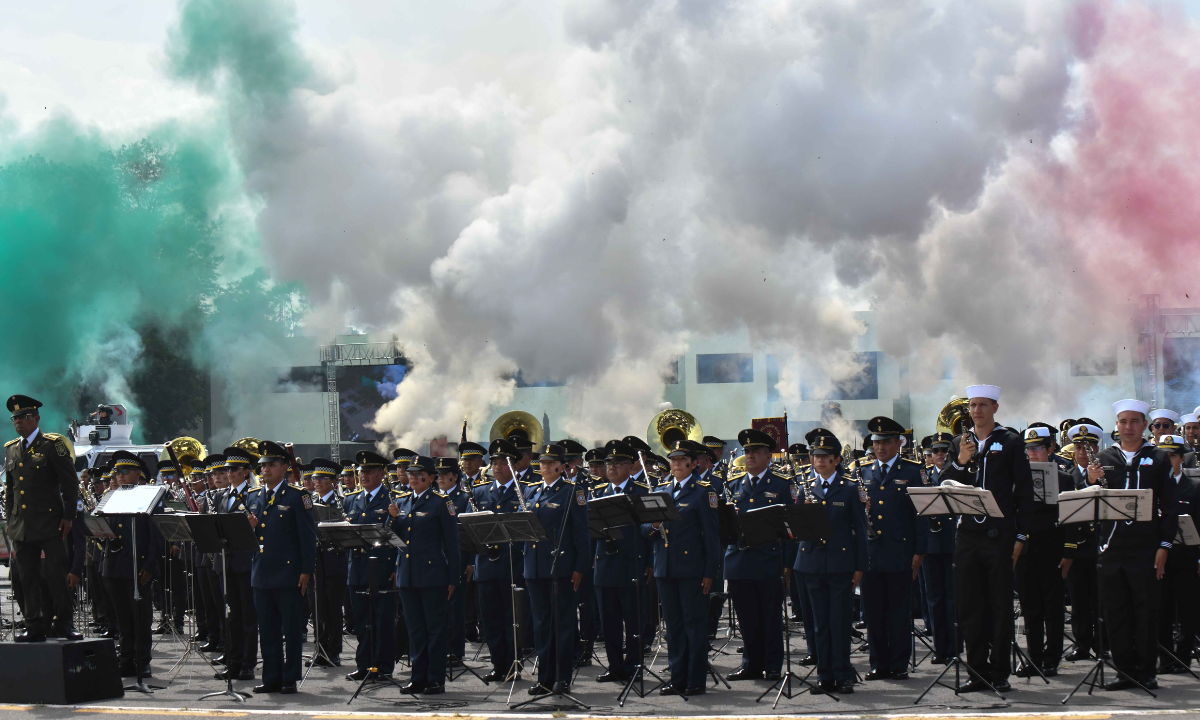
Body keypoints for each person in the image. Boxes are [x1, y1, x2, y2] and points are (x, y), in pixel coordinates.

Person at [937, 384, 1034, 692]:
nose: (976, 411)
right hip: (967, 536)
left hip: (999, 536)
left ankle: (999, 672)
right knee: (970, 607)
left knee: (1000, 606)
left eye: (982, 405)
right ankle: (976, 672)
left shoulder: (1010, 442)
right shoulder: (958, 442)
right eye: (973, 405)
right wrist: (961, 460)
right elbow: (945, 484)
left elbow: (1025, 492)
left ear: (995, 408)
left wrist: (1021, 535)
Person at [1093, 399, 1178, 691]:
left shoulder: (1158, 457)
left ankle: (1147, 670)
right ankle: (1124, 670)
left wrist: (1164, 545)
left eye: (1134, 422)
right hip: (1112, 548)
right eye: (1122, 422)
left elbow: (1169, 506)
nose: (1128, 427)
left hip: (1145, 548)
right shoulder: (1105, 456)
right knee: (1116, 613)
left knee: (1145, 611)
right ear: (1116, 425)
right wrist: (1091, 483)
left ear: (1144, 425)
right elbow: (1093, 504)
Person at [642, 441, 719, 696]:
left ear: (692, 463)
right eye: (672, 460)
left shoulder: (702, 493)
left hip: (691, 569)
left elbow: (711, 537)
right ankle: (677, 678)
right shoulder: (662, 490)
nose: (674, 464)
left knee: (693, 626)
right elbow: (646, 529)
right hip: (665, 567)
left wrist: (710, 572)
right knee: (673, 627)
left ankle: (695, 679)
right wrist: (653, 525)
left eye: (680, 460)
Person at [4, 395, 81, 642]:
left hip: (50, 523)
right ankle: (34, 624)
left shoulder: (52, 445)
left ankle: (64, 623)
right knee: (26, 577)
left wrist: (68, 517)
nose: (19, 422)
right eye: (15, 418)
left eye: (24, 417)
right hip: (22, 525)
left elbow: (70, 484)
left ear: (36, 419)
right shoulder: (12, 448)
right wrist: (10, 519)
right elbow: (11, 488)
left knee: (57, 576)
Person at [795, 428, 866, 695]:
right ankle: (824, 676)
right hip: (812, 563)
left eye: (826, 456)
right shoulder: (806, 487)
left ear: (837, 460)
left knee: (839, 622)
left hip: (841, 564)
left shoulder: (849, 488)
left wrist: (860, 566)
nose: (820, 460)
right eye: (816, 456)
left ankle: (842, 674)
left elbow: (860, 530)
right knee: (819, 624)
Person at [725, 428, 796, 682]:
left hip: (768, 561)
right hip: (740, 562)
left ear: (768, 456)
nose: (750, 455)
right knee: (747, 618)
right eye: (747, 451)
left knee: (770, 617)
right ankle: (751, 664)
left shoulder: (781, 485)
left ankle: (773, 665)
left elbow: (791, 530)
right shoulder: (734, 485)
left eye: (755, 451)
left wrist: (788, 565)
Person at [245, 442, 316, 694]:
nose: (265, 470)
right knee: (267, 629)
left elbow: (308, 537)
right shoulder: (253, 496)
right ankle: (271, 676)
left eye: (271, 465)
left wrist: (307, 570)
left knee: (291, 628)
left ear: (284, 467)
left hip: (289, 573)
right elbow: (249, 538)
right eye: (262, 466)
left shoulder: (298, 496)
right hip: (262, 572)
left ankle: (289, 677)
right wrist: (249, 528)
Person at [859, 416, 926, 681]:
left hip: (901, 552)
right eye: (877, 442)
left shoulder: (912, 471)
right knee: (874, 613)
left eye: (886, 442)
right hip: (871, 554)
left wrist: (919, 552)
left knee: (899, 613)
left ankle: (899, 663)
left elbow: (921, 515)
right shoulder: (862, 470)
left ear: (899, 443)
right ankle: (878, 663)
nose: (881, 447)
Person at [388, 456, 459, 695]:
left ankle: (435, 679)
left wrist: (453, 578)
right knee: (415, 629)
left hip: (432, 575)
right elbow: (395, 539)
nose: (414, 478)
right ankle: (418, 678)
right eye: (411, 473)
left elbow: (452, 544)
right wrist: (393, 519)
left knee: (435, 629)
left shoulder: (441, 502)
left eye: (419, 474)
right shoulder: (403, 501)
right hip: (407, 574)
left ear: (431, 478)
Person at [1015, 426, 1075, 677]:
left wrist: (1069, 551)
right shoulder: (1017, 477)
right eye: (1028, 449)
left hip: (1051, 548)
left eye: (1037, 448)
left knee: (1052, 607)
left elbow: (1071, 519)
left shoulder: (1064, 478)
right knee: (1030, 607)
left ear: (1050, 450)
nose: (1032, 453)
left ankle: (1052, 659)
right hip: (1025, 548)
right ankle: (1035, 657)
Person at [101, 451, 163, 676]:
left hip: (137, 565)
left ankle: (142, 660)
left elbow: (156, 536)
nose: (120, 476)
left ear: (138, 473)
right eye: (117, 472)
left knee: (140, 616)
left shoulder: (148, 497)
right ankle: (126, 659)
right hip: (114, 564)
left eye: (125, 472)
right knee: (122, 617)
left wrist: (150, 564)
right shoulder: (112, 496)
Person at [593, 440, 650, 683]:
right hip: (605, 564)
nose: (612, 468)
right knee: (610, 623)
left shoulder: (641, 492)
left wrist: (649, 563)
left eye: (618, 463)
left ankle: (634, 664)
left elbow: (648, 533)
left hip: (632, 563)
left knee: (634, 620)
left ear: (630, 466)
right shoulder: (598, 493)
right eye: (609, 463)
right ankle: (615, 666)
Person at [344, 450, 401, 683]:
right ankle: (364, 665)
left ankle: (384, 666)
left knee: (383, 620)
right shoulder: (351, 499)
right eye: (361, 471)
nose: (363, 475)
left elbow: (400, 536)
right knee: (362, 620)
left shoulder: (393, 498)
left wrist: (398, 567)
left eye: (369, 471)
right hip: (357, 568)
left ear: (381, 473)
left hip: (383, 569)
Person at [1155, 435, 1198, 674]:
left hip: (1186, 558)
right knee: (1161, 610)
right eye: (1164, 456)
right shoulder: (1154, 486)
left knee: (1187, 611)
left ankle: (1183, 657)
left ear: (1182, 458)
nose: (1168, 460)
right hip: (1159, 558)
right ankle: (1165, 659)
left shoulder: (1194, 488)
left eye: (1172, 455)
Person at [214, 450, 259, 682]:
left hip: (245, 562)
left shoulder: (253, 495)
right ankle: (233, 661)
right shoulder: (221, 497)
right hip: (227, 562)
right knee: (231, 615)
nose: (229, 473)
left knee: (247, 615)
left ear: (245, 473)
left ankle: (247, 663)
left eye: (233, 470)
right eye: (227, 469)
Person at [1063, 422, 1103, 662]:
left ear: (1097, 448)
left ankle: (1104, 643)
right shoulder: (1068, 475)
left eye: (1088, 446)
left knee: (1102, 599)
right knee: (1079, 600)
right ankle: (1082, 644)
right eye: (1078, 446)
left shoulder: (1106, 471)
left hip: (1100, 543)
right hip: (1077, 545)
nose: (1083, 451)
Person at [920, 432, 956, 665]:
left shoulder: (958, 476)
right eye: (936, 451)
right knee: (934, 598)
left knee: (954, 597)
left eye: (944, 451)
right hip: (930, 545)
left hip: (954, 543)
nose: (940, 455)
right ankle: (940, 648)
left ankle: (955, 646)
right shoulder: (923, 477)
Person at [309, 457, 348, 667]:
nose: (317, 482)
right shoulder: (310, 501)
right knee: (317, 607)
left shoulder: (341, 501)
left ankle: (334, 651)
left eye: (322, 478)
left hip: (335, 560)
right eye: (315, 478)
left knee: (333, 608)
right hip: (316, 560)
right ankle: (320, 649)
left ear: (333, 481)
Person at [434, 455, 472, 665]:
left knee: (456, 608)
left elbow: (467, 535)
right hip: (436, 560)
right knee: (439, 608)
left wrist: (469, 561)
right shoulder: (433, 497)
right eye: (438, 474)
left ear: (455, 477)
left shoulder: (463, 498)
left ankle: (456, 651)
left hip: (457, 559)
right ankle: (442, 648)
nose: (440, 478)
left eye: (445, 475)